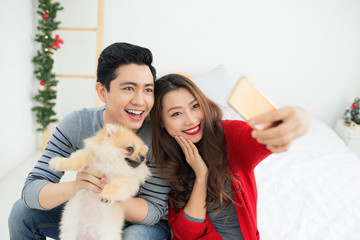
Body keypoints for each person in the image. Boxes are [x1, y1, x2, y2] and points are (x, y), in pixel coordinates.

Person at [8, 42, 171, 240]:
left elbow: (154, 211)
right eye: (129, 88)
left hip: (139, 221)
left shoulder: (158, 134)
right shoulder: (77, 124)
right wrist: (77, 186)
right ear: (102, 91)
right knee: (21, 214)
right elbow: (31, 190)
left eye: (148, 90)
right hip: (91, 210)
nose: (140, 101)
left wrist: (110, 190)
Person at [150, 74, 312, 240]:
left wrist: (300, 118)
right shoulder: (165, 159)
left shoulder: (229, 135)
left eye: (195, 106)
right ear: (161, 121)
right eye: (176, 114)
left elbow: (263, 139)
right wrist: (201, 177)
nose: (191, 120)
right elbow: (185, 234)